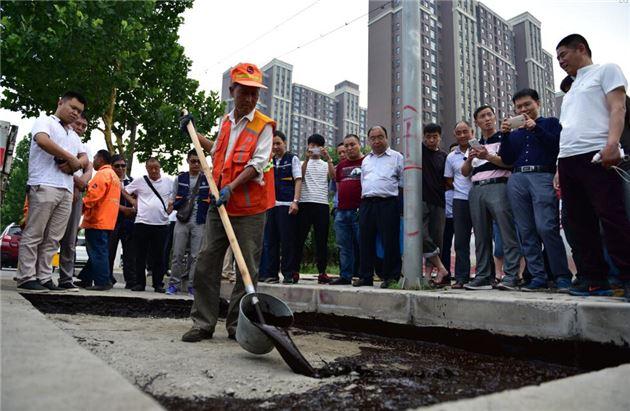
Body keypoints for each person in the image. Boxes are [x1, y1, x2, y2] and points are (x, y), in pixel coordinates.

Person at [180, 62, 275, 342]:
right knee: (206, 262)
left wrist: (231, 187)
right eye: (244, 92)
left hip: (249, 209)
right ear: (232, 90)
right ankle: (203, 323)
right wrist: (192, 133)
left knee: (247, 268)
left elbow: (258, 164)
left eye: (254, 93)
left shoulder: (264, 126)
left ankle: (237, 325)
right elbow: (215, 149)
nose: (249, 98)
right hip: (218, 206)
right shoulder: (225, 122)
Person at [555, 34, 630, 299]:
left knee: (612, 217)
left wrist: (612, 143)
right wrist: (557, 169)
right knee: (577, 223)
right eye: (557, 58)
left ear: (581, 48)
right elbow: (568, 128)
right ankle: (594, 279)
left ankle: (626, 275)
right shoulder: (571, 89)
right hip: (567, 160)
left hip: (597, 155)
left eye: (563, 54)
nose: (560, 61)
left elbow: (617, 107)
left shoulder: (606, 70)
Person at [499, 88, 573, 292]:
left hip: (543, 176)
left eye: (527, 105)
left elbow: (557, 146)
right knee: (525, 231)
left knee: (546, 227)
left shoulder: (550, 123)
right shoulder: (515, 133)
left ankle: (561, 275)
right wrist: (505, 136)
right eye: (519, 107)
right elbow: (506, 159)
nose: (523, 109)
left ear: (537, 103)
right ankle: (538, 277)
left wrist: (535, 128)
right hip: (517, 178)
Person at [15, 91, 87, 292]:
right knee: (35, 233)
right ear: (60, 102)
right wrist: (71, 159)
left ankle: (44, 277)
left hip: (65, 189)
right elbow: (42, 141)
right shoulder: (45, 121)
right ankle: (26, 276)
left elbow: (85, 159)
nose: (75, 113)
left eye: (79, 111)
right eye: (72, 108)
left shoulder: (73, 134)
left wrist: (74, 163)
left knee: (53, 238)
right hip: (44, 183)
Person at [461, 105, 521, 291]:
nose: (487, 119)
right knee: (481, 235)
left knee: (506, 232)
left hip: (499, 185)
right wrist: (471, 159)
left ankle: (511, 275)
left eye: (489, 115)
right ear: (477, 122)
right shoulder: (474, 144)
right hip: (477, 188)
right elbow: (464, 172)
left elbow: (509, 163)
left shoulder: (505, 139)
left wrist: (487, 156)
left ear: (495, 117)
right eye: (482, 116)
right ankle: (483, 275)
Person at [354, 125, 403, 289]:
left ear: (386, 138)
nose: (376, 141)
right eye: (373, 138)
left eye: (380, 137)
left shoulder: (397, 157)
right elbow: (364, 182)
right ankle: (365, 276)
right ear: (368, 141)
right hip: (367, 203)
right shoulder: (366, 160)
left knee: (390, 241)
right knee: (365, 241)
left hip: (388, 203)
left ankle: (391, 276)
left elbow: (403, 183)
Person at [124, 158, 173, 293]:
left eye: (156, 167)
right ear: (146, 168)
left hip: (161, 223)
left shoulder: (168, 182)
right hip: (142, 222)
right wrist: (133, 202)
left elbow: (174, 195)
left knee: (159, 255)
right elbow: (124, 190)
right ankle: (140, 283)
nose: (153, 170)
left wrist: (171, 205)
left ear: (160, 167)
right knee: (140, 254)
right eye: (150, 168)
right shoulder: (140, 181)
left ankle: (158, 283)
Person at [259, 130, 302, 284]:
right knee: (270, 241)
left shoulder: (293, 159)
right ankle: (271, 274)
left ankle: (289, 274)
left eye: (278, 143)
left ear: (285, 143)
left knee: (288, 241)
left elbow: (298, 180)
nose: (275, 147)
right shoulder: (268, 160)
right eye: (273, 144)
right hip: (270, 205)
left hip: (287, 205)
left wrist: (295, 201)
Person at [165, 150, 210, 295]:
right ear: (188, 161)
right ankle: (174, 284)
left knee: (196, 256)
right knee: (177, 253)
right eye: (193, 161)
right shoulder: (180, 178)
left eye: (198, 161)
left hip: (199, 221)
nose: (196, 164)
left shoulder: (208, 179)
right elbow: (172, 196)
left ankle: (192, 286)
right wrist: (170, 206)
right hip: (182, 219)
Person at [76, 150, 120, 290]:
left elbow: (93, 196)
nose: (93, 161)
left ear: (100, 159)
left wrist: (78, 209)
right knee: (97, 251)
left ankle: (103, 282)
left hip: (97, 221)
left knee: (97, 252)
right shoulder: (113, 176)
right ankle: (86, 279)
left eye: (94, 158)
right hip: (107, 221)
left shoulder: (101, 175)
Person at [57, 113, 93, 291]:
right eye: (78, 123)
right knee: (49, 236)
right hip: (58, 189)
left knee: (70, 239)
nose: (80, 127)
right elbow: (60, 167)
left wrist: (81, 183)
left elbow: (88, 170)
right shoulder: (60, 140)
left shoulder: (85, 147)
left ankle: (66, 278)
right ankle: (40, 275)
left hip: (77, 195)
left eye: (84, 126)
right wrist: (76, 178)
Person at [295, 133, 335, 284]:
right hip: (304, 203)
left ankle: (322, 272)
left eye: (317, 146)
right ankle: (295, 271)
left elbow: (334, 177)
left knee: (321, 241)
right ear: (308, 146)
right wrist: (306, 158)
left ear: (322, 148)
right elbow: (300, 176)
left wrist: (329, 159)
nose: (314, 148)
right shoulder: (300, 162)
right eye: (312, 145)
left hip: (322, 204)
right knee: (299, 239)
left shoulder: (326, 164)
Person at [331, 134, 364, 285]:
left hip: (359, 210)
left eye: (353, 145)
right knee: (344, 246)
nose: (349, 148)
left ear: (359, 144)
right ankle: (345, 276)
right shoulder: (341, 165)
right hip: (341, 211)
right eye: (347, 145)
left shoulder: (366, 162)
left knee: (362, 244)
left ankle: (364, 275)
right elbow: (338, 188)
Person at [445, 122, 474, 288]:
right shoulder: (451, 157)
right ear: (455, 135)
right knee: (461, 241)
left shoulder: (479, 149)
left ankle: (488, 275)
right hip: (460, 199)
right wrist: (460, 189)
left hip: (478, 196)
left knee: (483, 238)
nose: (462, 135)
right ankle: (462, 277)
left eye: (465, 132)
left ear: (471, 132)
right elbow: (448, 179)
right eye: (459, 133)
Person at [422, 123, 449, 285]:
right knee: (423, 236)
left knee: (436, 238)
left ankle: (429, 275)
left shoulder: (444, 157)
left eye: (435, 137)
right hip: (421, 200)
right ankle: (441, 267)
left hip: (439, 202)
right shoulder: (420, 151)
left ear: (440, 137)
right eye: (428, 137)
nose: (431, 140)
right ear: (424, 137)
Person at [108, 155, 136, 288]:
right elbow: (106, 201)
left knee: (130, 252)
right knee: (110, 250)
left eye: (123, 166)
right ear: (111, 167)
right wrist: (122, 209)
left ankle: (130, 281)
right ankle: (107, 278)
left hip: (129, 221)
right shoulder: (108, 180)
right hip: (112, 220)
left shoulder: (133, 182)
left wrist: (132, 210)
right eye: (117, 166)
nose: (120, 168)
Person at [440, 142, 458, 280]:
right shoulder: (443, 186)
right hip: (446, 217)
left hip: (461, 214)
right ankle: (445, 274)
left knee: (461, 246)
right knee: (444, 246)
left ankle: (461, 275)